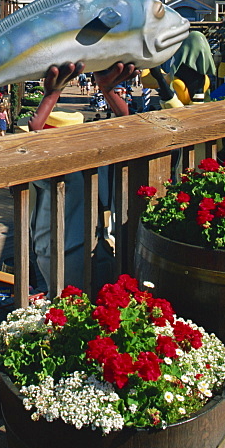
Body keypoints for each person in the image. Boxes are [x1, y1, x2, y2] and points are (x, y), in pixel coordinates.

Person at [25, 60, 138, 291]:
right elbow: (127, 127)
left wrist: (51, 96)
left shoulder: (58, 169)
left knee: (67, 307)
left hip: (64, 251)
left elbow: (35, 142)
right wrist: (108, 91)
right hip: (99, 246)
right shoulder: (99, 162)